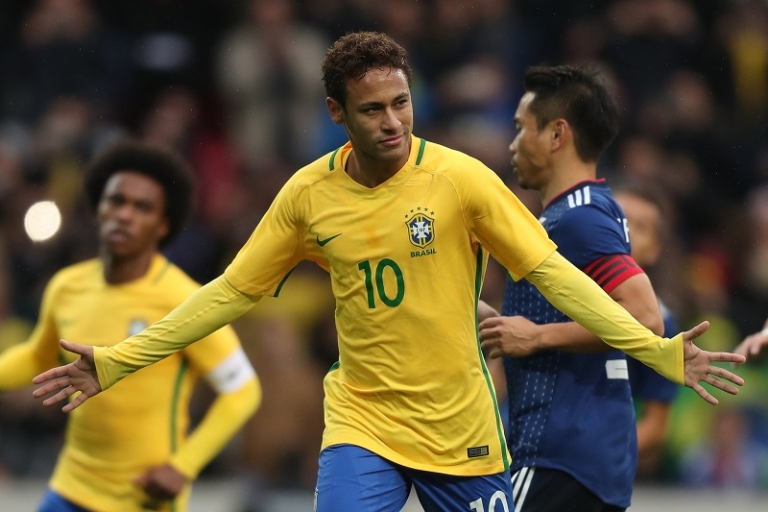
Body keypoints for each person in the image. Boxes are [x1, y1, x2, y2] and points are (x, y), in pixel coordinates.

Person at [32, 33, 744, 512]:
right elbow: (228, 293)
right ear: (336, 112)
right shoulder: (308, 195)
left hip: (460, 431)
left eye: (401, 103)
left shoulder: (461, 180)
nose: (393, 122)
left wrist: (656, 350)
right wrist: (119, 361)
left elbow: (558, 277)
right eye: (371, 110)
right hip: (363, 422)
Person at [0, 140, 261, 512]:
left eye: (142, 207)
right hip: (72, 487)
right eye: (116, 201)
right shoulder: (67, 285)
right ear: (98, 209)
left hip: (143, 497)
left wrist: (183, 466)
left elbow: (243, 390)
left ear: (163, 225)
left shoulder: (185, 300)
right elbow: (38, 357)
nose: (125, 214)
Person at [476, 66, 683, 512]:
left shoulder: (579, 215)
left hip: (558, 452)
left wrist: (537, 336)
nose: (513, 144)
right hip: (582, 458)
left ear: (557, 134)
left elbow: (644, 318)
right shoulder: (578, 211)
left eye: (521, 128)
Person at [613, 185, 681, 477]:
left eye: (639, 227)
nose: (625, 230)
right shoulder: (551, 285)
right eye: (617, 217)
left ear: (654, 250)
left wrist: (602, 455)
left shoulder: (661, 325)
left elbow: (656, 426)